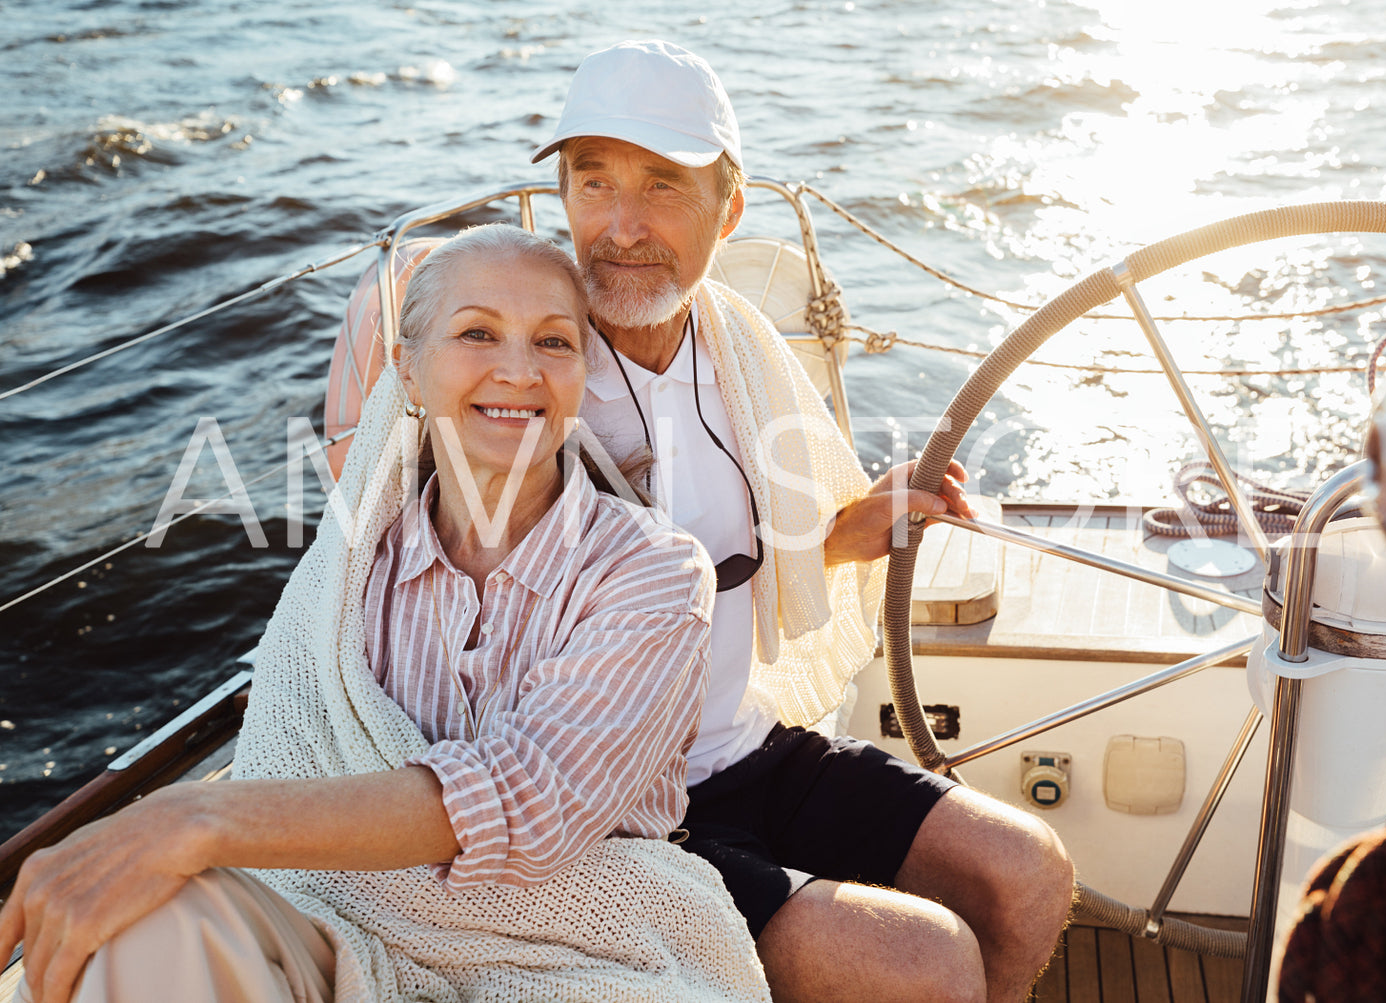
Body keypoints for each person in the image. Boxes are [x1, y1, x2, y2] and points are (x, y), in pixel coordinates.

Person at [0, 224, 767, 1003]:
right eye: (476, 333)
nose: (517, 369)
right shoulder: (348, 568)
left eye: (553, 341)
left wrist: (197, 817)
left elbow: (532, 793)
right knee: (149, 919)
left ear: (581, 370)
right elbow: (289, 749)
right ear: (406, 369)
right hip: (339, 915)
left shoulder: (654, 570)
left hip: (582, 952)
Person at [532, 40, 1076, 1003]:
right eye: (592, 181)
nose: (618, 226)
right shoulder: (525, 362)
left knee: (1026, 872)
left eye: (661, 185)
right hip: (612, 809)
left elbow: (735, 556)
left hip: (744, 745)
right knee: (925, 961)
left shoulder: (735, 342)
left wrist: (848, 526)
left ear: (727, 211)